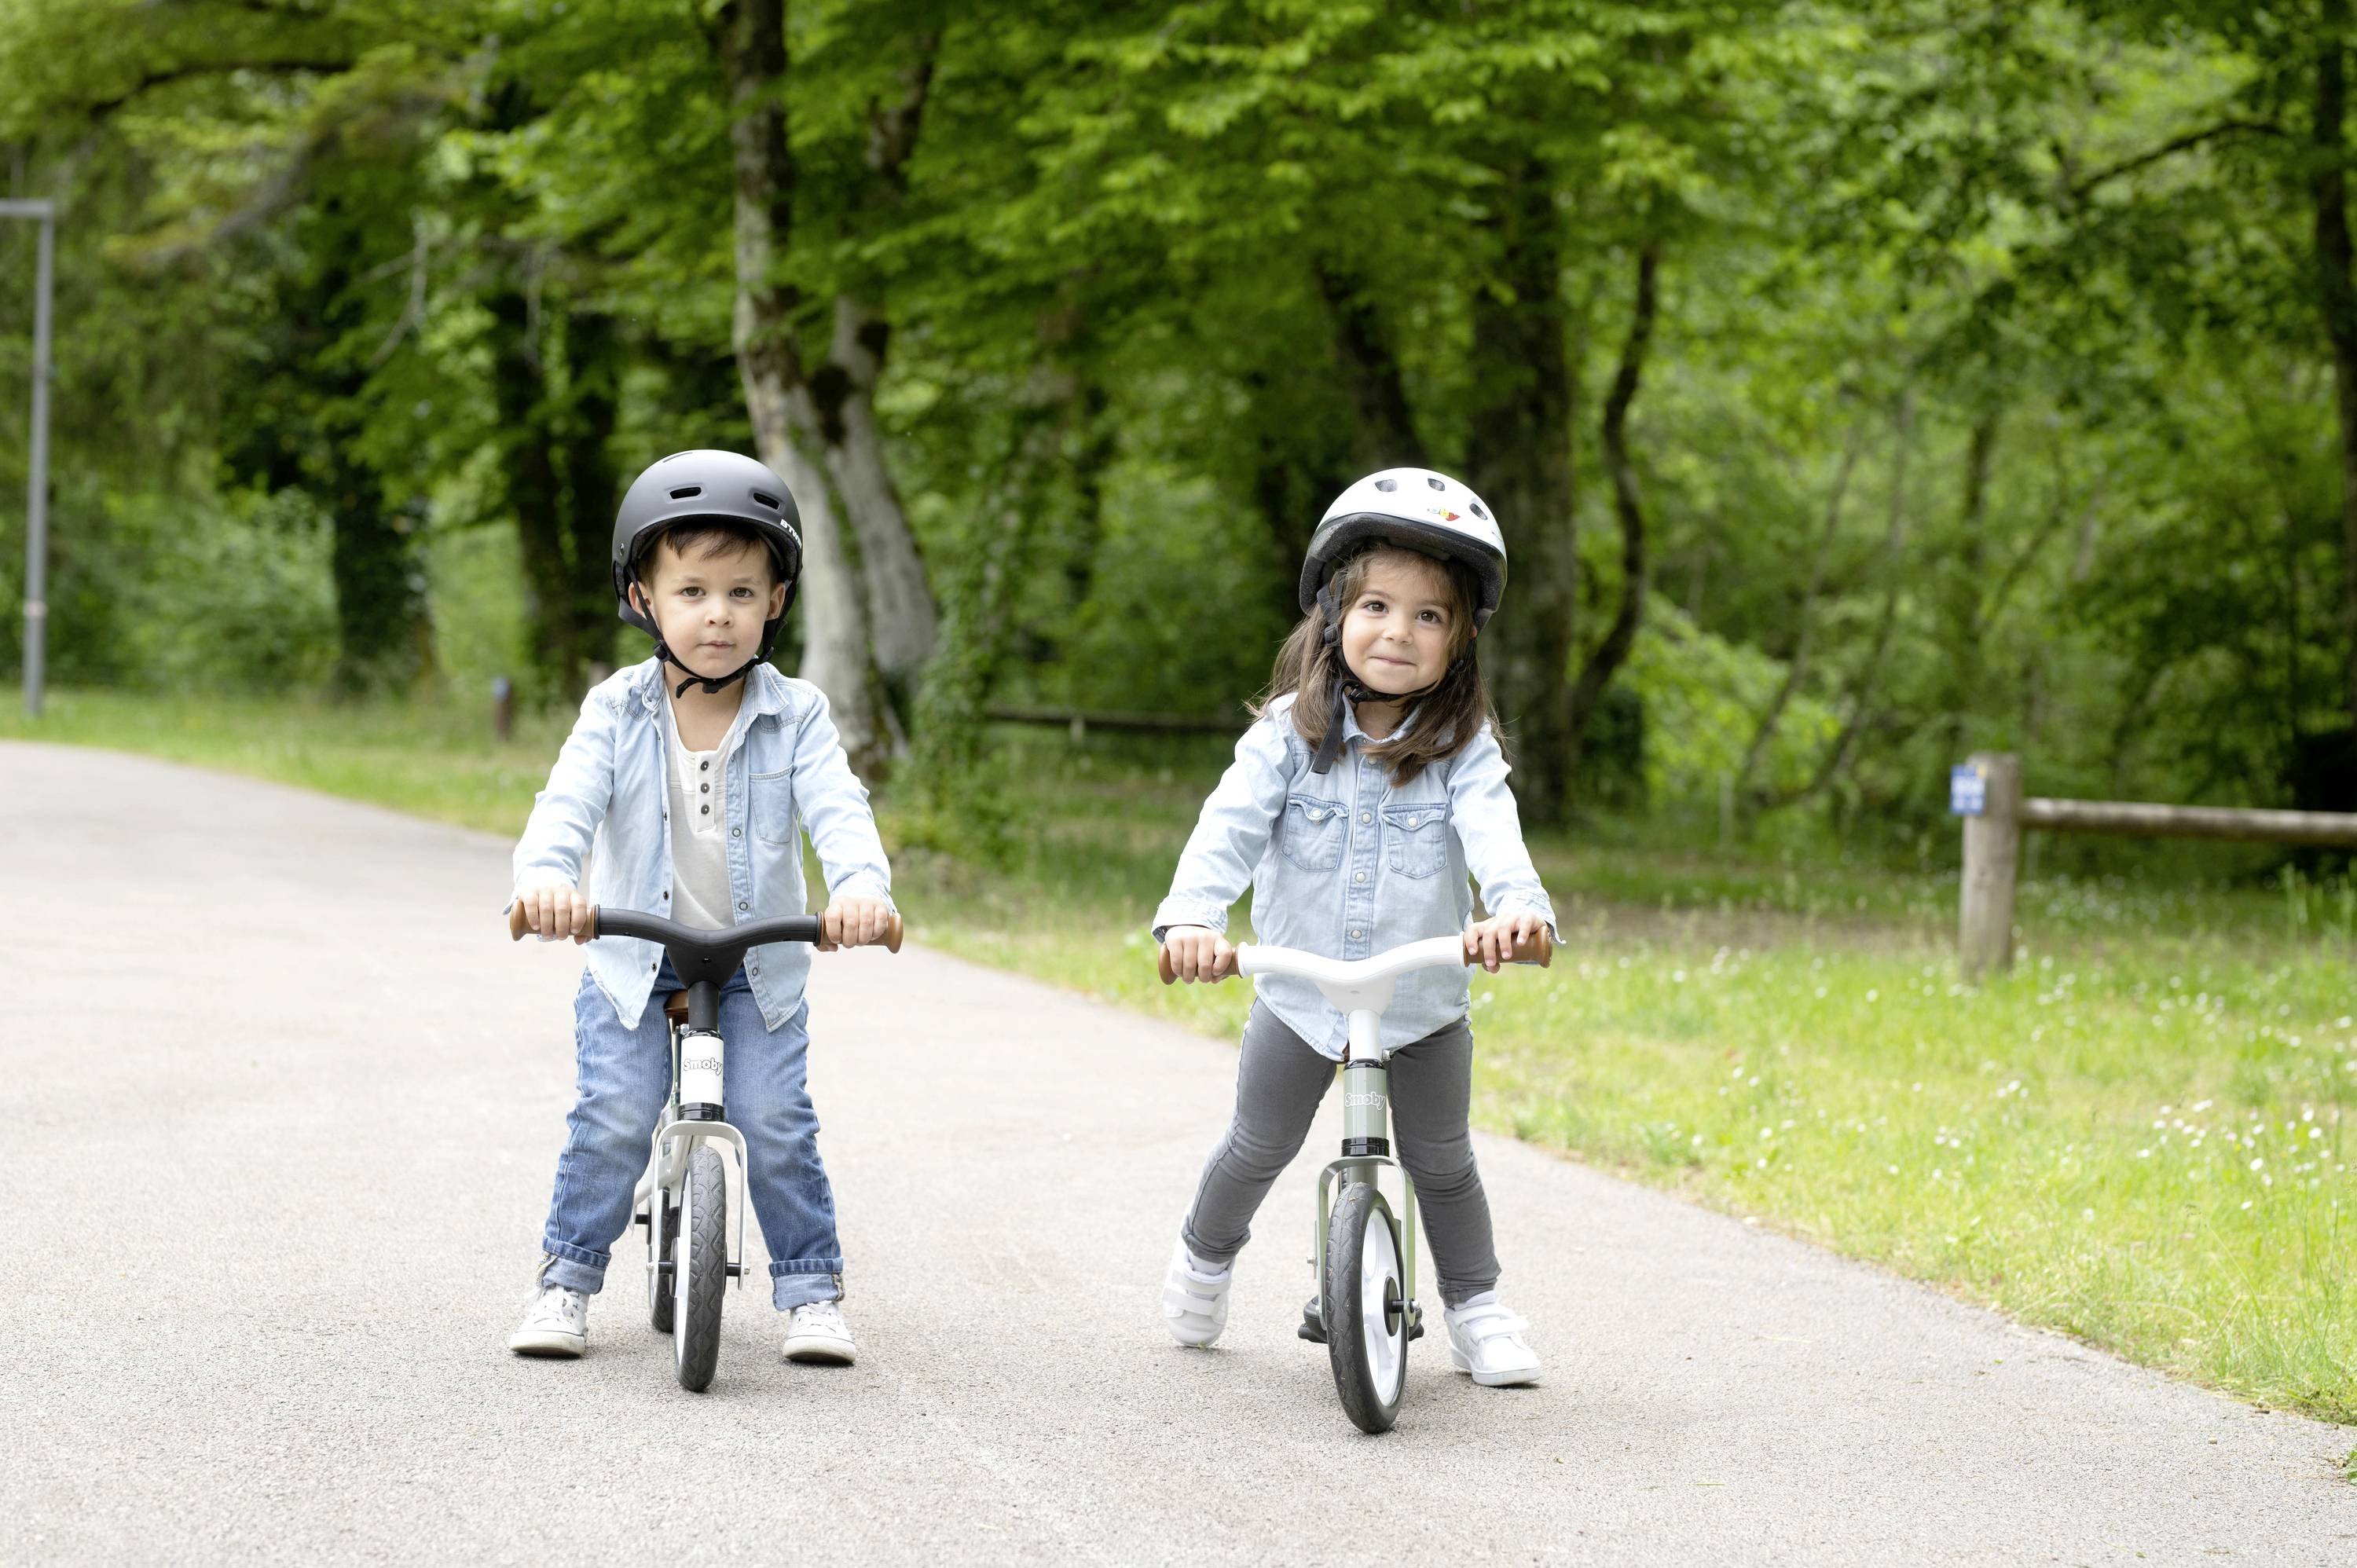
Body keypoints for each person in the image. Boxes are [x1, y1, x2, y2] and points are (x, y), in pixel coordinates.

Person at [1153, 467, 1558, 1387]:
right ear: (1333, 613)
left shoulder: (1463, 751)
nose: (1399, 632)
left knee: (1444, 1163)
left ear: (1460, 639)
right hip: (1301, 993)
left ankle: (1479, 1308)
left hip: (1420, 1001)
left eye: (1429, 616)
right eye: (1377, 605)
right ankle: (1204, 1259)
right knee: (1258, 1142)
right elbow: (1225, 833)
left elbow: (1496, 833)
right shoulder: (1283, 739)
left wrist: (1519, 911)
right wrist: (1190, 920)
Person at [505, 449, 895, 1365]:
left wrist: (862, 892)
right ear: (644, 598)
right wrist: (548, 881)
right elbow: (564, 806)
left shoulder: (797, 715)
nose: (717, 614)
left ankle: (809, 1290)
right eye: (691, 591)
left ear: (776, 602)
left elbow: (841, 808)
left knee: (775, 1122)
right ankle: (564, 1279)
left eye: (741, 592)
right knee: (612, 1114)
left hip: (758, 962)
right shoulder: (615, 708)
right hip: (636, 958)